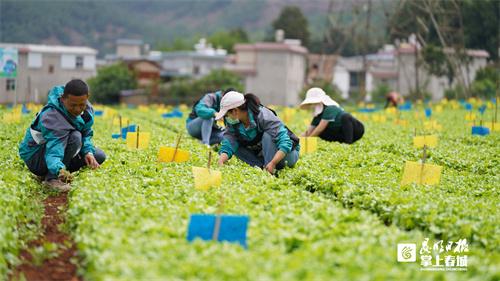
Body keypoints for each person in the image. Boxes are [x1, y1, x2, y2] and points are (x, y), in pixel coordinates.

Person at [19, 79, 106, 191]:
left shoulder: (86, 109)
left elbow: (86, 133)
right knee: (75, 137)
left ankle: (54, 171)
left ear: (87, 98)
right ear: (63, 99)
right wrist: (60, 170)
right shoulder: (52, 117)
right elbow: (54, 150)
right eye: (73, 105)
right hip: (36, 157)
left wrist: (88, 152)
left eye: (81, 105)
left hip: (56, 151)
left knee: (98, 156)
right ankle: (52, 179)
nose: (78, 109)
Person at [216, 91, 300, 174]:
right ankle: (262, 167)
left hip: (286, 155)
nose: (226, 118)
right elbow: (229, 142)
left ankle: (269, 168)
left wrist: (273, 163)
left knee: (268, 135)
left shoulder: (263, 115)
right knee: (235, 145)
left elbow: (285, 142)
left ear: (235, 111)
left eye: (226, 115)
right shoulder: (234, 123)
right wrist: (221, 160)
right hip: (264, 155)